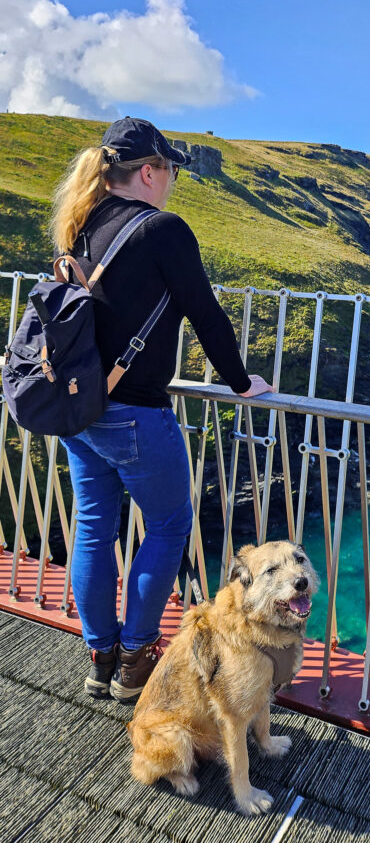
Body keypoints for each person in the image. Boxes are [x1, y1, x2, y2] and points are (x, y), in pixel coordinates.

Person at [52, 117, 272, 701]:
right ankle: (135, 659)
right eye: (170, 170)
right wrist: (239, 381)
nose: (171, 181)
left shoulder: (79, 224)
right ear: (148, 171)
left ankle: (99, 656)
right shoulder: (163, 230)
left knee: (95, 528)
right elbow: (204, 312)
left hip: (80, 409)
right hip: (136, 413)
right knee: (170, 524)